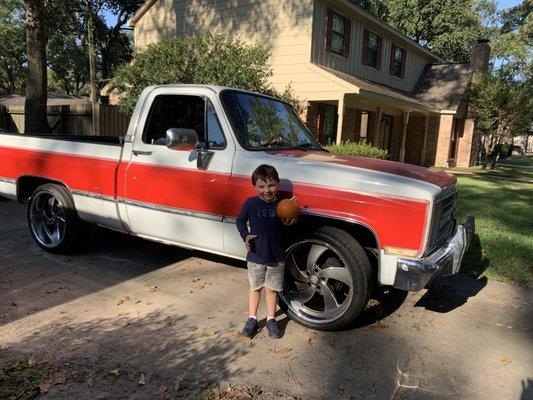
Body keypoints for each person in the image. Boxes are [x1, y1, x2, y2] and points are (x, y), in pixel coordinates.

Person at [236, 164, 296, 339]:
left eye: (271, 185)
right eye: (261, 186)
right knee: (255, 288)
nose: (267, 190)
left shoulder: (283, 204)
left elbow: (287, 230)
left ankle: (271, 319)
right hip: (255, 256)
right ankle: (252, 318)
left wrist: (289, 225)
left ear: (277, 184)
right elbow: (240, 221)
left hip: (276, 256)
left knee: (272, 290)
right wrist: (245, 236)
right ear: (254, 186)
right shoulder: (250, 203)